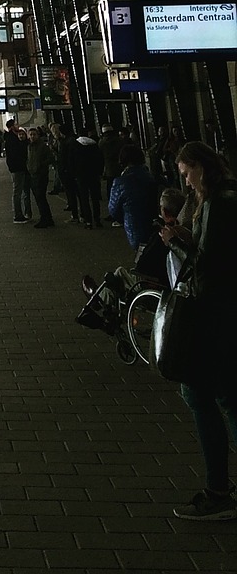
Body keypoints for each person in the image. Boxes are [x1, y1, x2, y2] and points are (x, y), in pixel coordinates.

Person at [158, 141, 237, 520]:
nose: (186, 184)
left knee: (205, 395)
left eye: (187, 174)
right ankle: (218, 487)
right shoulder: (224, 197)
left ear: (200, 168)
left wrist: (176, 244)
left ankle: (219, 492)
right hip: (224, 315)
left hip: (215, 317)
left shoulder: (219, 203)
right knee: (221, 397)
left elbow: (210, 268)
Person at [107, 145, 157, 249]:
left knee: (142, 255)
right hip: (157, 225)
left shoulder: (121, 182)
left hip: (135, 225)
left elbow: (113, 210)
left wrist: (125, 217)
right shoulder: (151, 177)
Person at [2, 120, 31, 224]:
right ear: (11, 127)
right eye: (16, 124)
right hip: (17, 167)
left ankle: (22, 213)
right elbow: (17, 153)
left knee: (19, 191)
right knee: (17, 191)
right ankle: (18, 215)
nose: (18, 126)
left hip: (17, 167)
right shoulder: (11, 138)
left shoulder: (12, 137)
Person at [75, 130, 104, 229]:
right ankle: (97, 219)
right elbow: (100, 159)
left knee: (84, 199)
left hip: (81, 175)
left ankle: (88, 221)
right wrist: (99, 172)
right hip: (93, 174)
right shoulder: (94, 144)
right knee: (95, 198)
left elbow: (72, 160)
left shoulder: (76, 145)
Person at [27, 126, 55, 228]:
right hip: (33, 175)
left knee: (41, 198)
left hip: (41, 175)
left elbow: (50, 158)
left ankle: (44, 219)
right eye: (31, 135)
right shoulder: (29, 146)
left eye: (34, 134)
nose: (32, 136)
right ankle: (48, 218)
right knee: (39, 198)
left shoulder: (43, 146)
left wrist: (41, 165)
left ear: (38, 135)